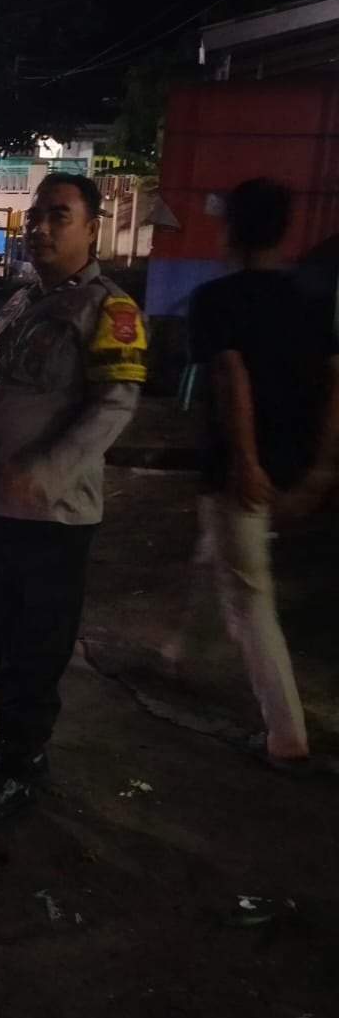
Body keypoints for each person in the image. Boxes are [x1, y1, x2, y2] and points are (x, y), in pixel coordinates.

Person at [0, 173, 147, 830]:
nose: (40, 228)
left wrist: (48, 472)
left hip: (51, 519)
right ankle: (11, 745)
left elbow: (114, 405)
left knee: (35, 647)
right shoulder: (23, 301)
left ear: (92, 228)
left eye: (59, 215)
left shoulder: (108, 310)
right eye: (35, 216)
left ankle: (22, 767)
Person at [181, 178, 339, 769]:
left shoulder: (215, 300)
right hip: (293, 466)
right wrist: (321, 468)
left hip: (240, 474)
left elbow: (231, 378)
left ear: (231, 230)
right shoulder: (311, 301)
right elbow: (335, 382)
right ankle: (179, 652)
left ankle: (286, 735)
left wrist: (245, 461)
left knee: (251, 602)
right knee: (222, 559)